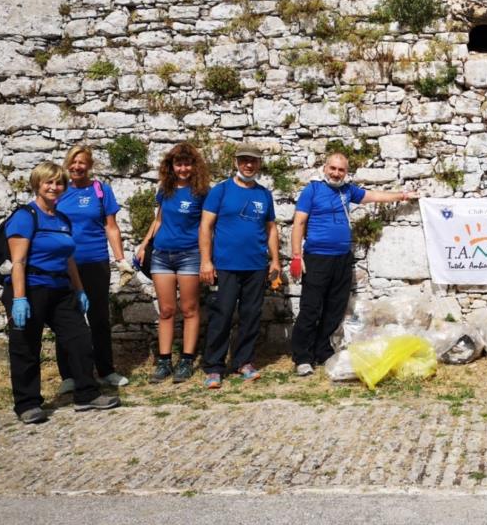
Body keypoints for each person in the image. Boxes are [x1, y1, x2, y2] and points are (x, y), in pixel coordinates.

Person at [3, 161, 120, 423]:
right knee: (25, 348)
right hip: (30, 288)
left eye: (59, 183)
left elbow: (69, 259)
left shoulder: (63, 219)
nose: (54, 187)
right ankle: (28, 404)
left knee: (79, 340)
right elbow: (18, 262)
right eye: (49, 182)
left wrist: (79, 290)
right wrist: (20, 299)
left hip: (61, 289)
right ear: (37, 184)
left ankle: (87, 395)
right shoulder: (25, 216)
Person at [290, 152, 420, 375]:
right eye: (333, 168)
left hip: (342, 257)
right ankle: (303, 357)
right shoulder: (312, 190)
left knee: (335, 308)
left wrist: (404, 195)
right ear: (325, 168)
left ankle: (323, 352)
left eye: (341, 170)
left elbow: (375, 196)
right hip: (317, 257)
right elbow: (299, 222)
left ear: (346, 172)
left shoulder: (347, 191)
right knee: (311, 308)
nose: (336, 173)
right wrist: (295, 256)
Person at [199, 142, 281, 388]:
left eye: (253, 161)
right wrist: (206, 261)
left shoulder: (264, 194)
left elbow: (271, 229)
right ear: (236, 162)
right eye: (244, 160)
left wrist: (275, 260)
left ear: (259, 164)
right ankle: (214, 367)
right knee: (221, 315)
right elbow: (205, 226)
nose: (248, 164)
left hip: (256, 265)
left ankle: (243, 361)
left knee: (250, 316)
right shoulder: (221, 191)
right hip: (225, 265)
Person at [55, 144, 131, 392]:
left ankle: (106, 370)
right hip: (64, 263)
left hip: (95, 261)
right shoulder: (58, 190)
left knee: (99, 318)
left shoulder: (101, 190)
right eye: (73, 162)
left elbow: (111, 227)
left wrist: (120, 260)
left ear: (89, 165)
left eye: (82, 163)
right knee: (66, 318)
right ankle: (69, 375)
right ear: (68, 164)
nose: (77, 167)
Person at [135, 143, 210, 384]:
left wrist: (207, 257)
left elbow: (206, 227)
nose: (183, 168)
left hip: (189, 255)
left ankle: (186, 360)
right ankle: (164, 360)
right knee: (166, 310)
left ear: (194, 165)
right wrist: (145, 243)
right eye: (179, 163)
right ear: (171, 166)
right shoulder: (165, 189)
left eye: (187, 163)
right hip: (162, 255)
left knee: (189, 309)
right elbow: (159, 219)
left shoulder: (201, 192)